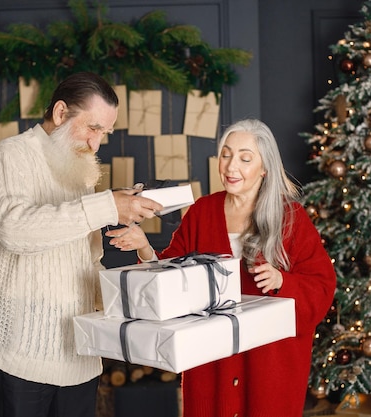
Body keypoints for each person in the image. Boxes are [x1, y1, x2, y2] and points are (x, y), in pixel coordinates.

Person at [106, 118, 336, 417]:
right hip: (211, 364)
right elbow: (171, 273)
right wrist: (144, 247)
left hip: (269, 367)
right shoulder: (203, 211)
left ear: (264, 167)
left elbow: (322, 285)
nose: (230, 166)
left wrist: (282, 281)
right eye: (226, 154)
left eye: (245, 158)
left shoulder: (290, 217)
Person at [0, 71, 163, 417]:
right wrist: (108, 205)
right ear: (61, 113)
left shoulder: (77, 170)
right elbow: (15, 231)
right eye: (93, 128)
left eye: (104, 133)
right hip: (22, 356)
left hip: (80, 353)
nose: (96, 144)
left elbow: (84, 261)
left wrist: (135, 246)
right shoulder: (12, 153)